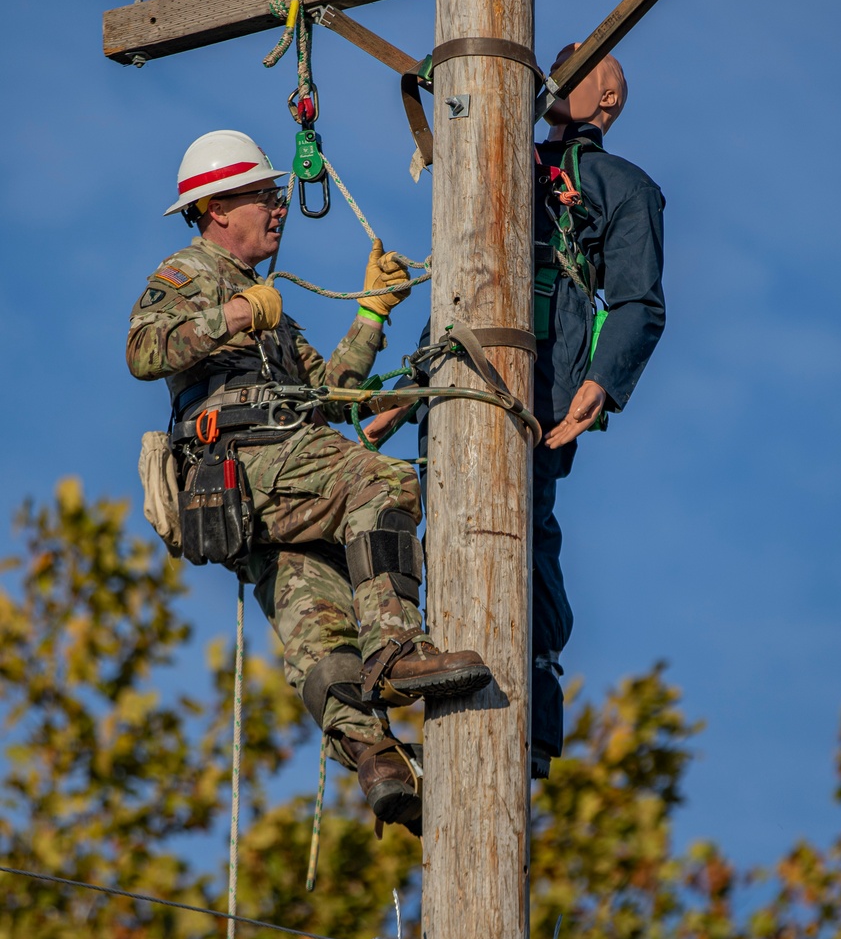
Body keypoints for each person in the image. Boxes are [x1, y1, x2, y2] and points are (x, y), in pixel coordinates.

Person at [127, 129, 491, 837]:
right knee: (381, 484)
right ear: (217, 207)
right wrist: (234, 313)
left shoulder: (272, 310)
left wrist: (372, 315)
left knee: (316, 615)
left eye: (277, 195)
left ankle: (377, 759)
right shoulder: (190, 271)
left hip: (266, 485)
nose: (279, 208)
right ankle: (398, 649)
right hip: (245, 462)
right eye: (265, 196)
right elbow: (145, 349)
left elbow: (328, 397)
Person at [368, 46, 665, 777]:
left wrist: (598, 388)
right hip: (459, 370)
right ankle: (423, 660)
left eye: (589, 64)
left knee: (521, 529)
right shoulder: (494, 155)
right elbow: (461, 281)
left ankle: (526, 708)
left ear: (608, 102)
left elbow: (637, 301)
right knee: (440, 522)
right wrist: (407, 391)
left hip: (539, 380)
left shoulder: (621, 186)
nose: (564, 63)